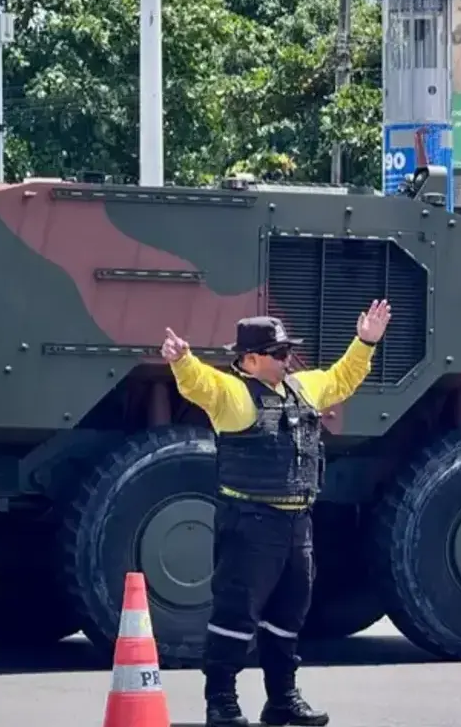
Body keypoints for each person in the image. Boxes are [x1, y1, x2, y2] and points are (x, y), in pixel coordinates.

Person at [161, 300, 391, 727]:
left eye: (288, 351)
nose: (288, 359)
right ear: (249, 360)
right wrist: (183, 361)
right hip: (250, 522)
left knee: (289, 613)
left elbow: (341, 378)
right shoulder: (234, 395)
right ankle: (221, 701)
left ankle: (282, 698)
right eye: (279, 353)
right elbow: (201, 385)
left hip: (297, 523)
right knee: (235, 613)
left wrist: (365, 343)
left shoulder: (302, 388)